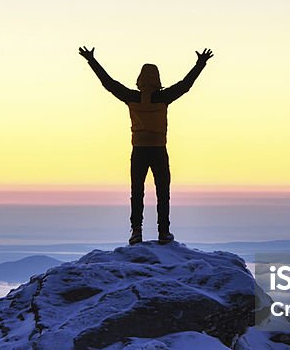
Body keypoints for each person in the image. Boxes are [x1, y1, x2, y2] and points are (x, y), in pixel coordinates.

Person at [79, 46, 213, 245]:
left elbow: (108, 83)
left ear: (140, 79)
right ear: (157, 80)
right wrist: (201, 63)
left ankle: (136, 232)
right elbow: (186, 84)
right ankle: (164, 232)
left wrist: (91, 60)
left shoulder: (131, 97)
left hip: (139, 150)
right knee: (163, 192)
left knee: (137, 192)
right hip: (159, 150)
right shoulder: (164, 97)